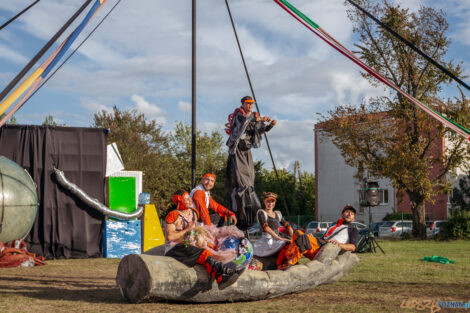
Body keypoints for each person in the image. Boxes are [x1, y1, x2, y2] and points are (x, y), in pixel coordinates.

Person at [164, 189, 241, 290]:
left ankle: (223, 275)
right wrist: (187, 230)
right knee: (203, 253)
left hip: (190, 246)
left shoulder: (194, 213)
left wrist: (203, 235)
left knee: (212, 248)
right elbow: (170, 237)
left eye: (189, 198)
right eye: (186, 199)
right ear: (179, 201)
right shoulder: (173, 215)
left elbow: (195, 231)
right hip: (175, 249)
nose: (190, 201)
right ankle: (222, 274)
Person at [225, 96, 277, 231]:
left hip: (246, 149)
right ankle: (240, 201)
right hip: (237, 148)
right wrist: (259, 118)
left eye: (251, 104)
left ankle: (248, 199)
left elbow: (260, 130)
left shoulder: (254, 116)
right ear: (243, 104)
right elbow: (244, 122)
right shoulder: (239, 114)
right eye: (248, 104)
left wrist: (270, 125)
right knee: (241, 176)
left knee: (250, 176)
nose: (250, 106)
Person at [252, 192, 293, 258]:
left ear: (275, 202)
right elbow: (266, 228)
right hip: (267, 241)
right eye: (268, 201)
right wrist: (279, 238)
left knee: (293, 243)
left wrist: (293, 236)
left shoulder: (278, 214)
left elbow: (288, 226)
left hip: (277, 239)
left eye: (272, 201)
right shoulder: (261, 213)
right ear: (264, 202)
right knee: (286, 244)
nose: (270, 204)